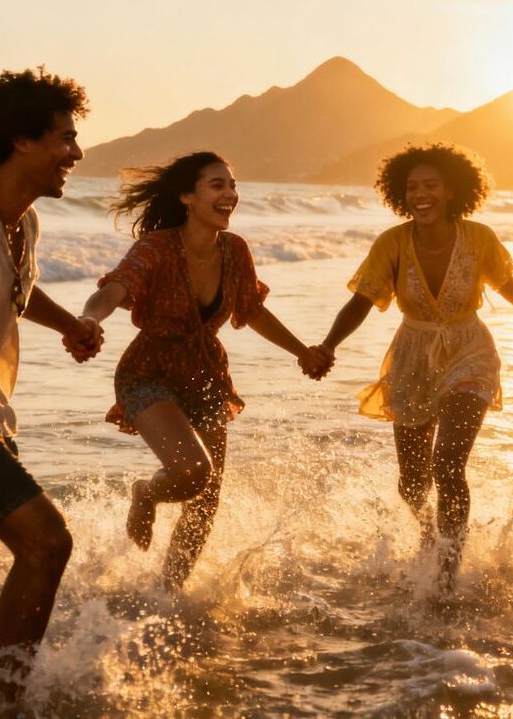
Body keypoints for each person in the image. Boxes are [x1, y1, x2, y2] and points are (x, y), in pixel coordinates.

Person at [81, 151, 330, 591]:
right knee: (193, 470)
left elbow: (251, 309)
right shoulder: (156, 248)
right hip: (149, 372)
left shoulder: (235, 251)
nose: (230, 195)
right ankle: (146, 493)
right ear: (187, 197)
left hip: (206, 375)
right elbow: (117, 287)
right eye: (217, 185)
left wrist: (301, 351)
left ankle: (168, 594)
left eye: (233, 186)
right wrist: (89, 320)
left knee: (205, 497)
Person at [318, 143, 513, 594]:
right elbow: (362, 300)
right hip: (411, 358)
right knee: (412, 481)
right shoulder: (392, 243)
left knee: (448, 462)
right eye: (412, 187)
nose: (420, 194)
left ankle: (447, 572)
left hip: (470, 351)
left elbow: (508, 285)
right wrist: (327, 346)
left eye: (430, 185)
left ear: (451, 191)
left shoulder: (479, 238)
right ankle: (429, 534)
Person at [0, 68, 102, 704]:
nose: (77, 153)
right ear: (21, 140)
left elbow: (17, 291)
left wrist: (71, 325)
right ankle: (7, 702)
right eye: (65, 137)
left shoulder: (23, 224)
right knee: (45, 541)